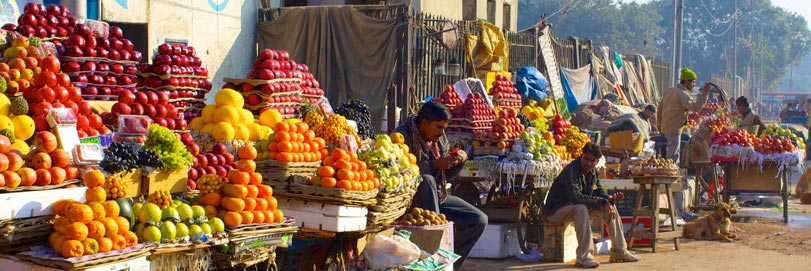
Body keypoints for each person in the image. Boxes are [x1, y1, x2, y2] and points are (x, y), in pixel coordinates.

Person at [393, 101, 487, 270]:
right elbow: (401, 174)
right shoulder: (401, 137)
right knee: (426, 180)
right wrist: (434, 165)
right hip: (409, 201)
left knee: (478, 220)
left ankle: (446, 264)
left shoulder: (439, 138)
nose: (442, 133)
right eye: (438, 127)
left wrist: (457, 161)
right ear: (424, 123)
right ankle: (435, 253)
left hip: (437, 196)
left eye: (444, 128)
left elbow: (445, 175)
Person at [543, 143, 640, 268]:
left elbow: (597, 190)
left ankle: (619, 251)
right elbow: (576, 197)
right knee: (581, 208)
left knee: (610, 207)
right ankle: (584, 256)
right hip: (555, 212)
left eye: (592, 161)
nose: (588, 163)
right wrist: (602, 201)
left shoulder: (593, 172)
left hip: (573, 209)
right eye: (586, 159)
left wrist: (608, 199)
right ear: (581, 156)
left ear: (597, 161)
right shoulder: (572, 170)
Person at [657, 68, 710, 164]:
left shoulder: (670, 91)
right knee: (673, 156)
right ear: (686, 82)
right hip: (674, 129)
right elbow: (695, 107)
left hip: (665, 127)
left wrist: (659, 123)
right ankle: (672, 174)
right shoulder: (682, 94)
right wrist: (704, 94)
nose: (694, 85)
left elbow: (659, 107)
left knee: (671, 152)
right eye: (693, 82)